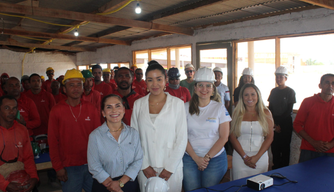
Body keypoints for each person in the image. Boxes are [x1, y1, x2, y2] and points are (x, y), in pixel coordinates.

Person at [131, 63, 187, 192]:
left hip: (171, 166)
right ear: (146, 82)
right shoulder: (138, 104)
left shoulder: (177, 104)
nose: (154, 84)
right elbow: (134, 138)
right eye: (150, 80)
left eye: (159, 79)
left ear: (166, 80)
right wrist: (144, 165)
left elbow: (182, 138)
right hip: (146, 167)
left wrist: (170, 168)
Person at [48, 69, 101, 192]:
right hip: (69, 167)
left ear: (83, 88)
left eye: (79, 85)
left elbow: (99, 137)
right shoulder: (56, 111)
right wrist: (58, 167)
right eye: (71, 85)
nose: (76, 88)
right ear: (64, 89)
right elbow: (52, 141)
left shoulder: (91, 109)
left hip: (92, 164)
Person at [183, 67, 231, 191]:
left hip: (215, 160)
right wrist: (195, 158)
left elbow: (224, 137)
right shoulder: (185, 108)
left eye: (208, 86)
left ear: (213, 89)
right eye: (200, 85)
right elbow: (181, 135)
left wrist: (206, 158)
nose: (204, 89)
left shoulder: (219, 108)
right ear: (195, 88)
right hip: (190, 158)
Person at [88, 94, 143, 192]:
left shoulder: (133, 133)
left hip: (128, 184)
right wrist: (112, 185)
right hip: (104, 186)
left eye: (117, 106)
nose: (114, 111)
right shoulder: (95, 136)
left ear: (123, 110)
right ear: (103, 113)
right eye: (109, 107)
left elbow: (138, 160)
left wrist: (120, 183)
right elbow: (94, 166)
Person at [229, 84, 274, 180]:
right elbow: (232, 137)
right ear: (242, 97)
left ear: (258, 96)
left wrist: (257, 157)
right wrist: (244, 157)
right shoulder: (237, 112)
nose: (250, 98)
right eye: (246, 95)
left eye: (253, 94)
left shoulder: (266, 113)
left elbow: (270, 137)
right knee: (238, 186)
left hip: (260, 156)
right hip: (240, 157)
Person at [0, 95, 39, 192]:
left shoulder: (22, 129)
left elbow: (28, 157)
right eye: (6, 108)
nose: (11, 112)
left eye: (14, 108)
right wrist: (4, 184)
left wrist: (34, 176)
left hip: (20, 172)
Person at [294, 74, 334, 162]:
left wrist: (331, 144)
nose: (330, 86)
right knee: (305, 176)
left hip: (331, 152)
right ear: (320, 85)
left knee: (329, 176)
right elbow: (297, 125)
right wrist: (313, 142)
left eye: (333, 83)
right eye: (327, 82)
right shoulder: (308, 102)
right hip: (309, 150)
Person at [268, 66, 296, 169]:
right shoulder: (273, 91)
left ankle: (285, 169)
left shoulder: (290, 92)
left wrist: (279, 124)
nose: (278, 79)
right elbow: (270, 109)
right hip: (274, 123)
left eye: (281, 77)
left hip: (285, 124)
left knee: (284, 148)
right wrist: (274, 124)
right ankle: (275, 168)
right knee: (275, 147)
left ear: (286, 78)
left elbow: (289, 110)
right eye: (277, 77)